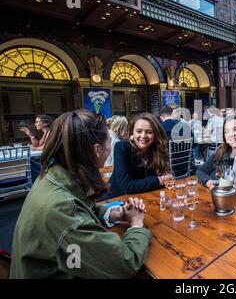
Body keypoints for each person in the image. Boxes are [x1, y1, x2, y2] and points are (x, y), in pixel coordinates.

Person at [10, 110, 151, 278]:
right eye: (109, 140)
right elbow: (125, 263)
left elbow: (80, 209)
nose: (111, 145)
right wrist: (136, 224)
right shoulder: (62, 207)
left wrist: (114, 214)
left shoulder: (54, 174)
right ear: (97, 149)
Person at [108, 113, 173, 197]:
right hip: (117, 201)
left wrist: (162, 180)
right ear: (132, 133)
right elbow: (128, 186)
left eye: (149, 132)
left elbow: (168, 177)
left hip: (144, 198)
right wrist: (159, 180)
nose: (143, 136)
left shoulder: (157, 150)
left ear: (156, 134)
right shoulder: (122, 147)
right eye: (139, 131)